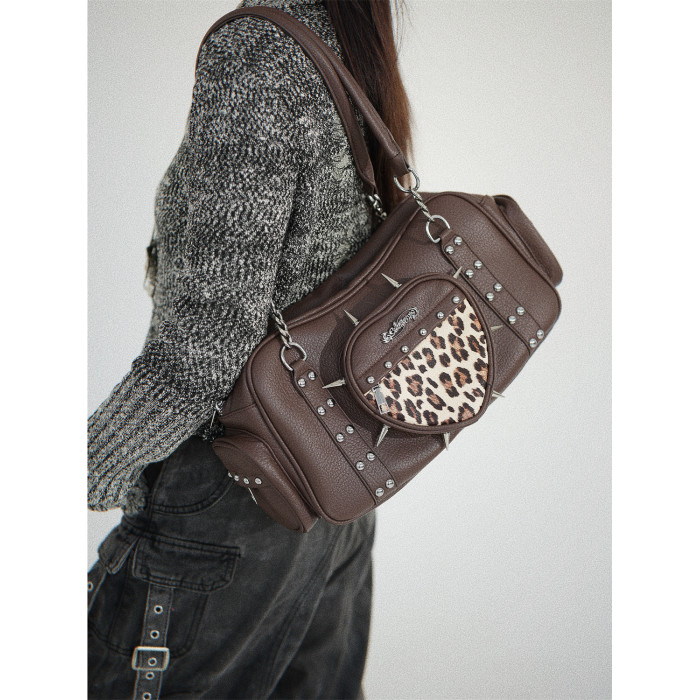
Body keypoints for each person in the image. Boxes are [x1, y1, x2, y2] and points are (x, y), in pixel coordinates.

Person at [87, 0, 414, 697]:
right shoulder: (345, 39)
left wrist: (96, 459)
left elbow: (209, 335)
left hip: (231, 487)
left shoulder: (256, 52)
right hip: (336, 483)